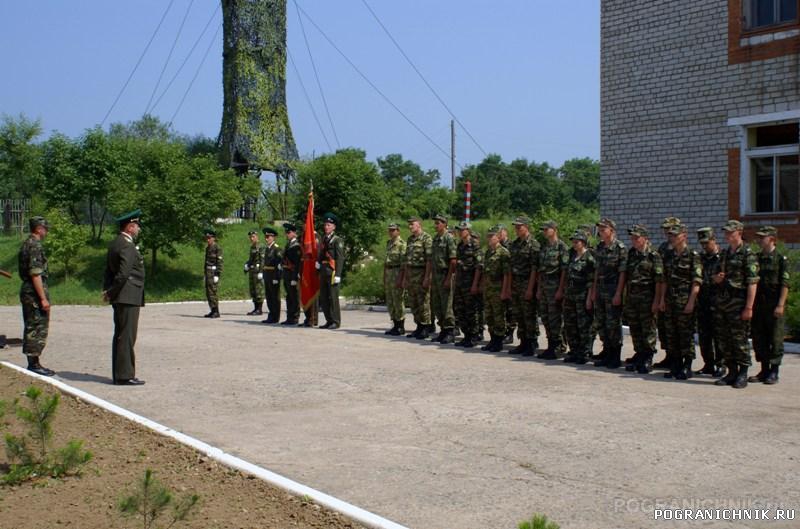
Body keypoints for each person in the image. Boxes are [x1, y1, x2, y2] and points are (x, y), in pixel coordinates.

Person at [713, 220, 759, 389]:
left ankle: (743, 372)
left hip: (738, 303)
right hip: (723, 302)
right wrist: (717, 278)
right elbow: (716, 276)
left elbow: (752, 282)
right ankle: (731, 371)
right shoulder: (725, 254)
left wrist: (749, 307)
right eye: (726, 232)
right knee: (725, 339)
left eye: (730, 232)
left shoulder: (748, 254)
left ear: (739, 232)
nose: (727, 235)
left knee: (739, 339)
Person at [103, 210, 145, 385]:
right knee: (127, 336)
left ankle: (120, 373)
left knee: (120, 335)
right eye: (136, 226)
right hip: (127, 295)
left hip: (121, 295)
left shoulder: (115, 243)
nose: (138, 229)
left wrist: (107, 291)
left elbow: (108, 272)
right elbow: (123, 273)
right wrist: (112, 292)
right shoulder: (127, 245)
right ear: (129, 227)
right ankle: (125, 375)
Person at [749, 226, 790, 385]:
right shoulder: (756, 258)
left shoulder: (780, 259)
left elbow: (785, 284)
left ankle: (774, 371)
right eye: (759, 237)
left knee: (775, 338)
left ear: (772, 239)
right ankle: (764, 369)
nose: (759, 240)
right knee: (760, 338)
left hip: (773, 305)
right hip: (759, 305)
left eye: (762, 237)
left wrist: (780, 305)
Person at [661, 223, 701, 380]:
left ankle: (687, 365)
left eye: (675, 235)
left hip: (685, 300)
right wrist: (662, 299)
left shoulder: (692, 255)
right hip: (670, 300)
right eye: (670, 235)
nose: (672, 238)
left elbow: (696, 281)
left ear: (684, 236)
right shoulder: (669, 255)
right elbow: (664, 279)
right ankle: (675, 364)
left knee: (685, 334)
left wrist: (691, 301)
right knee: (671, 334)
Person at [622, 224, 664, 374]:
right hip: (633, 298)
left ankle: (648, 357)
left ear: (645, 238)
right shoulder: (632, 254)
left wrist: (657, 301)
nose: (633, 240)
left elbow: (659, 280)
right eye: (632, 237)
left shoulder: (654, 256)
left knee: (648, 329)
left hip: (647, 298)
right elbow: (627, 276)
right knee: (635, 328)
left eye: (636, 237)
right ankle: (639, 354)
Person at [18, 216, 54, 376]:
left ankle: (34, 362)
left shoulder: (27, 243)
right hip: (33, 291)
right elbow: (35, 274)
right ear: (39, 228)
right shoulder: (35, 246)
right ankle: (34, 364)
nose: (46, 231)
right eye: (45, 228)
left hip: (28, 290)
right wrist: (43, 298)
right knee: (37, 326)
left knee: (32, 325)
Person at [591, 218, 627, 368]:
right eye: (599, 229)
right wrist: (593, 290)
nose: (601, 232)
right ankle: (606, 352)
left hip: (613, 289)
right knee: (602, 323)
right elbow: (597, 270)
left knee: (613, 324)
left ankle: (615, 355)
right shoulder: (600, 247)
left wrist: (619, 293)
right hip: (601, 289)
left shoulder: (620, 248)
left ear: (611, 230)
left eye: (603, 229)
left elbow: (622, 273)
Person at [508, 215, 540, 356]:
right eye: (515, 226)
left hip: (528, 282)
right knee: (518, 314)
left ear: (526, 227)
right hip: (516, 283)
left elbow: (535, 268)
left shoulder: (534, 244)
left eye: (519, 227)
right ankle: (523, 342)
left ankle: (531, 342)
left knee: (529, 314)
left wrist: (530, 288)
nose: (516, 229)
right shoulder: (514, 244)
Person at [537, 220, 569, 359]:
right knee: (545, 317)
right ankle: (551, 344)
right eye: (543, 230)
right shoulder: (544, 248)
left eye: (546, 229)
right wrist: (538, 288)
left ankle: (559, 345)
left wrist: (560, 289)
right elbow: (541, 270)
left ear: (554, 229)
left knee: (555, 318)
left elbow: (564, 270)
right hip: (544, 287)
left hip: (555, 287)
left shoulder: (562, 247)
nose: (544, 232)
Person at [563, 230, 595, 364]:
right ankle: (574, 350)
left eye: (577, 242)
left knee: (583, 326)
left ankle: (584, 352)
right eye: (573, 242)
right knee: (570, 324)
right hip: (570, 295)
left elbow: (592, 280)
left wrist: (589, 298)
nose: (574, 244)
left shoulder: (589, 258)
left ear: (583, 243)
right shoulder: (572, 256)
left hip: (582, 295)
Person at [696, 227, 723, 377]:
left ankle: (721, 364)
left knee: (719, 336)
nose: (705, 246)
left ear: (714, 240)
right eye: (702, 243)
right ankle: (708, 364)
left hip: (719, 303)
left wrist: (720, 279)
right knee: (704, 336)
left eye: (707, 242)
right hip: (703, 302)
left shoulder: (723, 258)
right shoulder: (700, 258)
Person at [653, 217, 680, 368]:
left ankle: (678, 358)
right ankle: (669, 356)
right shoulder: (663, 248)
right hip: (664, 292)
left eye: (669, 229)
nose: (666, 232)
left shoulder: (681, 249)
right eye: (665, 229)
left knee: (677, 329)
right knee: (664, 327)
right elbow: (659, 273)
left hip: (678, 294)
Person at [481, 227, 512, 352]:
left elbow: (506, 274)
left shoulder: (504, 252)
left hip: (498, 289)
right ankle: (492, 339)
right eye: (488, 236)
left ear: (498, 237)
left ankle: (498, 341)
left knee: (498, 316)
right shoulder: (488, 252)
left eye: (492, 236)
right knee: (489, 315)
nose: (489, 238)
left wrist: (505, 291)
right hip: (488, 289)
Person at [403, 216, 434, 339]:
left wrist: (427, 277)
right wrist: (405, 277)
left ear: (419, 224)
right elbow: (406, 260)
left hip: (421, 274)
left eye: (412, 224)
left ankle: (426, 327)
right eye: (409, 225)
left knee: (424, 302)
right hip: (411, 275)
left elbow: (429, 260)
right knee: (414, 302)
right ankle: (418, 326)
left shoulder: (426, 238)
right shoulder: (410, 239)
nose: (410, 227)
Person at [429, 214, 458, 344]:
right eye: (435, 223)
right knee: (437, 304)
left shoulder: (449, 238)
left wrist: (448, 278)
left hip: (445, 274)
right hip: (436, 275)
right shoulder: (436, 239)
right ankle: (442, 330)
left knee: (447, 305)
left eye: (438, 223)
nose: (436, 225)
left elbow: (453, 261)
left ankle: (450, 331)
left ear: (445, 224)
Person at [453, 222, 482, 348]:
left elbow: (479, 267)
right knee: (460, 309)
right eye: (459, 230)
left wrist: (475, 284)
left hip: (470, 283)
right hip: (460, 282)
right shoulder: (460, 245)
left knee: (471, 310)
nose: (460, 232)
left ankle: (474, 335)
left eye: (462, 230)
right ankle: (466, 335)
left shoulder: (475, 245)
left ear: (468, 231)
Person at [317, 213, 344, 329]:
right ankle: (328, 320)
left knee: (333, 298)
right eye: (325, 225)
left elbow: (340, 258)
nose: (326, 227)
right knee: (323, 297)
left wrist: (338, 274)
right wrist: (318, 262)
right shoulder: (324, 239)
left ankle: (336, 321)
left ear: (334, 227)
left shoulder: (337, 240)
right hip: (324, 271)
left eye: (328, 225)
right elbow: (322, 253)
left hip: (332, 272)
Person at [383, 223, 407, 336]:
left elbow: (403, 264)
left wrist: (401, 279)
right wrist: (384, 276)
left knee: (398, 300)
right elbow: (386, 261)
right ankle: (394, 324)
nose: (391, 232)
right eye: (390, 230)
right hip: (389, 272)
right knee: (390, 300)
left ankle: (400, 325)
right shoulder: (389, 243)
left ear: (398, 231)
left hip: (397, 272)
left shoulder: (402, 244)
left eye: (393, 230)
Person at [497, 225, 515, 344]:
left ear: (505, 232)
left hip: (510, 281)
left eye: (500, 232)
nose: (498, 235)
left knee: (510, 309)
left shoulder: (510, 246)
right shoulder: (497, 247)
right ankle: (503, 331)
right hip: (499, 281)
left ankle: (510, 333)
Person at [281, 223, 302, 325]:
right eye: (286, 232)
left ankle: (295, 317)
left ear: (294, 233)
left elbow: (297, 263)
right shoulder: (288, 244)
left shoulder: (296, 246)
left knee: (294, 297)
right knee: (289, 296)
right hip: (286, 274)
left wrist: (295, 277)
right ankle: (289, 317)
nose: (287, 234)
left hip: (292, 274)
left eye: (289, 232)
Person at [261, 226, 283, 324]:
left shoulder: (277, 249)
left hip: (273, 276)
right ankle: (271, 315)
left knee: (275, 297)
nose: (267, 239)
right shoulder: (267, 249)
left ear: (273, 237)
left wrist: (276, 277)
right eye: (266, 237)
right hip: (267, 275)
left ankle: (275, 317)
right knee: (269, 297)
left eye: (269, 237)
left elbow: (278, 264)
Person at [244, 230, 265, 316]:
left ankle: (259, 309)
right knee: (253, 290)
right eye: (250, 237)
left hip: (257, 271)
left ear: (257, 237)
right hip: (252, 271)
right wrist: (247, 265)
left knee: (258, 290)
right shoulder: (252, 247)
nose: (251, 238)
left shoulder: (261, 246)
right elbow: (251, 259)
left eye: (253, 237)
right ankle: (255, 308)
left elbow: (262, 260)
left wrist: (261, 271)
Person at [203, 229, 223, 318]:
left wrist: (217, 274)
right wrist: (205, 274)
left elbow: (220, 262)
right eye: (207, 238)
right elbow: (206, 262)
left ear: (213, 238)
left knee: (213, 292)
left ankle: (216, 311)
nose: (208, 240)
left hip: (213, 272)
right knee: (208, 292)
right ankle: (212, 310)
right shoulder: (208, 248)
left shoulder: (217, 248)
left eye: (209, 238)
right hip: (208, 272)